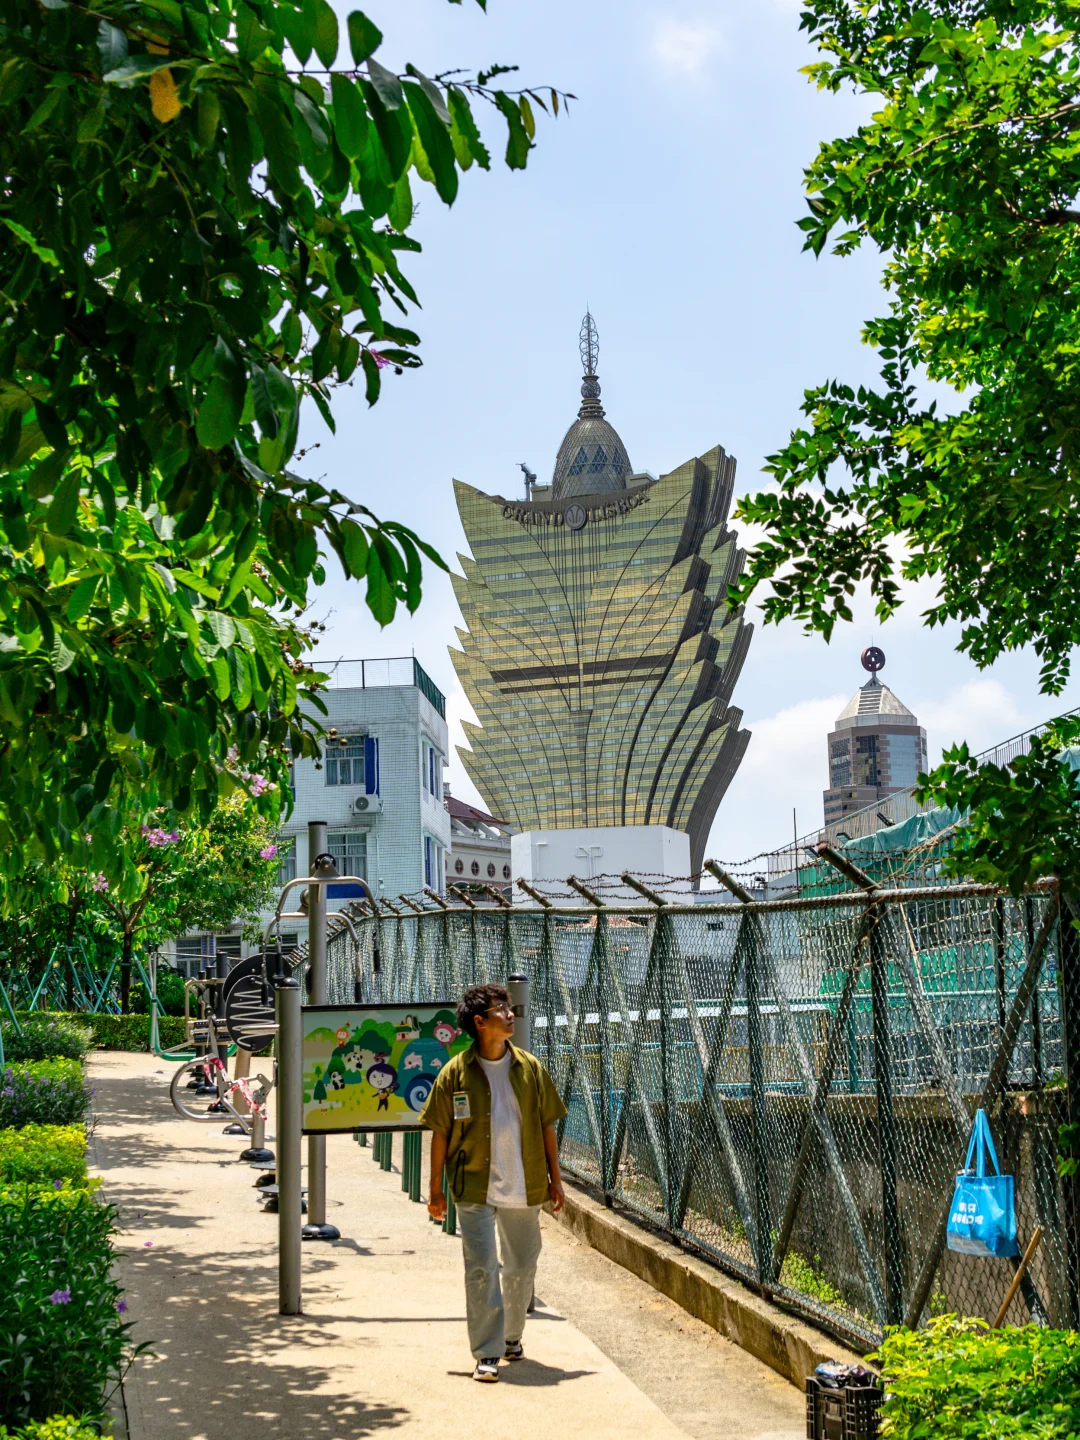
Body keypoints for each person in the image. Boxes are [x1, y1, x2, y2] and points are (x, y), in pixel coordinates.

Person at [419, 982, 566, 1383]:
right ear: (480, 1022)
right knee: (481, 1268)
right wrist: (435, 1191)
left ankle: (511, 1337)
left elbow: (547, 1123)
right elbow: (439, 1132)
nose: (511, 1013)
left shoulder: (530, 1069)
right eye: (502, 1008)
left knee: (521, 1266)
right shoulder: (455, 1073)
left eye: (510, 1006)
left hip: (526, 1182)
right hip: (473, 1185)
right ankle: (486, 1352)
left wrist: (557, 1178)